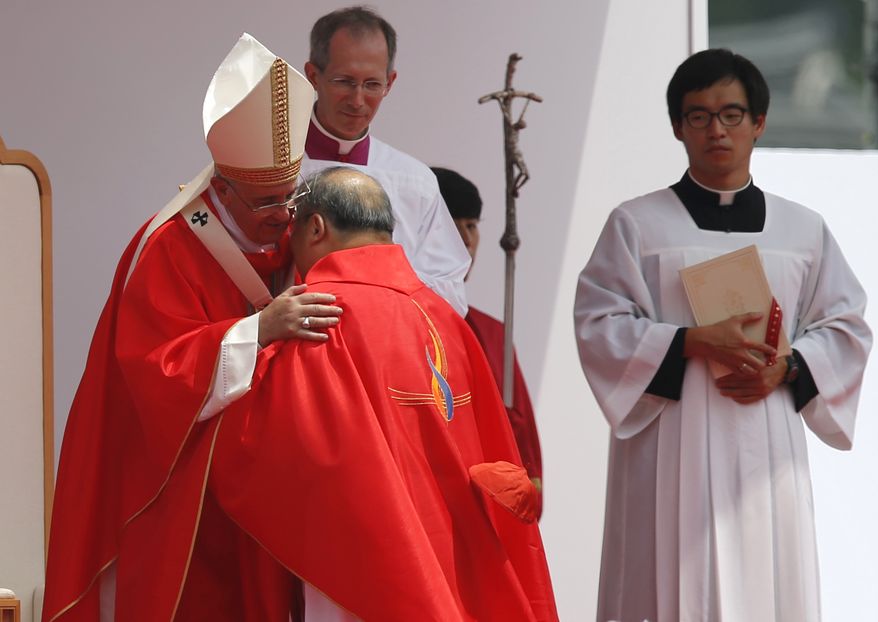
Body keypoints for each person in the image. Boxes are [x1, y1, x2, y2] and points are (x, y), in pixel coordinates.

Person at [42, 34, 343, 621]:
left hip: (259, 484)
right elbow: (156, 374)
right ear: (222, 188)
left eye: (292, 195)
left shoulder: (282, 222)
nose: (283, 217)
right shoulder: (166, 248)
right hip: (176, 486)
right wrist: (258, 331)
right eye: (265, 202)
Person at [573, 48, 871, 622]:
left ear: (759, 123)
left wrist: (787, 369)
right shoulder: (637, 223)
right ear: (678, 128)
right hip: (671, 440)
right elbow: (598, 323)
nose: (717, 130)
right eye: (699, 116)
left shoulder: (802, 228)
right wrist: (691, 341)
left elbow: (847, 326)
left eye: (732, 114)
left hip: (766, 438)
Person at [206, 166, 558, 621]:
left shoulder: (318, 314)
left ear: (315, 227)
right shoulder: (447, 317)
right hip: (456, 547)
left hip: (370, 562)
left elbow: (276, 445)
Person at [300, 6, 471, 316]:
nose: (357, 100)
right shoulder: (265, 166)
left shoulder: (414, 181)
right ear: (314, 75)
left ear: (390, 82)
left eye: (372, 85)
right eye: (344, 81)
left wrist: (382, 286)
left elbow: (450, 293)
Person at [432, 166, 544, 517]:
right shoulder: (394, 322)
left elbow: (521, 435)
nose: (467, 239)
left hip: (485, 508)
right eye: (453, 224)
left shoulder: (493, 333)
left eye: (472, 225)